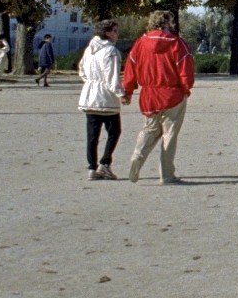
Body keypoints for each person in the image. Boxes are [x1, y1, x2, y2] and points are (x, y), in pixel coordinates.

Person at [122, 10, 195, 184]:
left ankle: (137, 157)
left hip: (148, 93)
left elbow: (130, 68)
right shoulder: (177, 43)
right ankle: (167, 174)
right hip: (172, 93)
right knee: (169, 134)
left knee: (149, 129)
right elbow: (185, 68)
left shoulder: (140, 43)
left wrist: (128, 90)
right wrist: (186, 88)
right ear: (167, 23)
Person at [78, 19, 125, 181]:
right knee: (114, 131)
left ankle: (91, 167)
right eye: (115, 31)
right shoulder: (110, 51)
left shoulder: (89, 50)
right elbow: (112, 77)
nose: (116, 34)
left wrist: (90, 82)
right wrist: (121, 93)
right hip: (105, 97)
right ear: (107, 32)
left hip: (89, 95)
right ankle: (105, 163)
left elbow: (82, 71)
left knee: (92, 135)